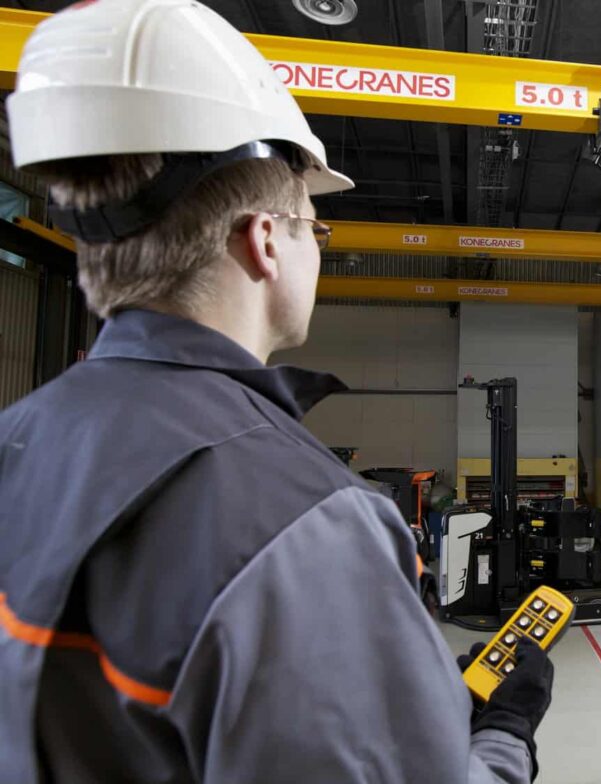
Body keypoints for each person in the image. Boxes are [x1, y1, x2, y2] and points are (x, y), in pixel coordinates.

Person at [0, 1, 552, 782]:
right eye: (314, 229)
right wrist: (505, 733)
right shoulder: (308, 526)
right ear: (265, 241)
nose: (315, 250)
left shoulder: (17, 440)